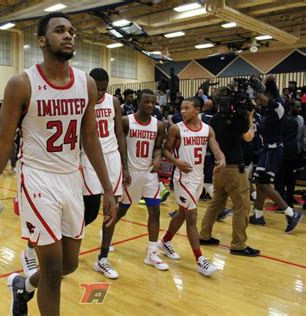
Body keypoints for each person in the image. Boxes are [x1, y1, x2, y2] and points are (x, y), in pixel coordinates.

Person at [0, 12, 117, 316]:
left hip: (71, 177)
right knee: (53, 268)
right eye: (59, 31)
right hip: (37, 179)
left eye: (71, 31)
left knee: (69, 264)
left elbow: (90, 138)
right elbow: (2, 143)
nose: (68, 35)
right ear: (42, 41)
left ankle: (23, 287)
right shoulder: (21, 84)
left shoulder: (87, 84)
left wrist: (108, 189)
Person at [100, 89, 170, 274]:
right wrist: (123, 169)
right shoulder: (126, 121)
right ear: (138, 102)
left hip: (149, 175)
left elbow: (157, 148)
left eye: (153, 102)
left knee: (154, 211)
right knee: (121, 211)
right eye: (146, 101)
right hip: (130, 174)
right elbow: (118, 145)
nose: (150, 105)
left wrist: (157, 159)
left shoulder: (159, 125)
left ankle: (152, 252)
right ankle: (106, 238)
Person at [159, 97, 226, 276]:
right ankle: (200, 260)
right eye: (181, 108)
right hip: (182, 178)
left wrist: (221, 158)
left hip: (198, 177)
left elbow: (215, 147)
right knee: (191, 215)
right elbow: (165, 149)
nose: (182, 111)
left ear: (197, 110)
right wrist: (176, 162)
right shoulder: (176, 129)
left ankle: (165, 241)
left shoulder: (207, 129)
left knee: (182, 212)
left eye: (187, 108)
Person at [77, 68, 129, 279]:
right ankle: (67, 245)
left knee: (111, 211)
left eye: (103, 89)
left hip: (112, 157)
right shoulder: (81, 101)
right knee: (88, 212)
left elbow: (120, 134)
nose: (99, 93)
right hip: (89, 158)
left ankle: (103, 258)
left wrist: (125, 166)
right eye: (96, 88)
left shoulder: (113, 102)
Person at [199, 86, 260, 257]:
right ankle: (238, 244)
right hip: (234, 170)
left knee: (215, 204)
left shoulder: (214, 120)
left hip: (218, 168)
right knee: (242, 207)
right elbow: (248, 137)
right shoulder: (237, 119)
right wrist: (249, 115)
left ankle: (204, 235)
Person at [250, 75, 303, 232]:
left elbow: (261, 97)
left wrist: (255, 87)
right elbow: (259, 101)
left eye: (264, 95)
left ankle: (291, 213)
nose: (260, 98)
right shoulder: (272, 106)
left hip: (273, 150)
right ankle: (258, 215)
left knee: (264, 184)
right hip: (268, 149)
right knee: (259, 182)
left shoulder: (277, 106)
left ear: (269, 95)